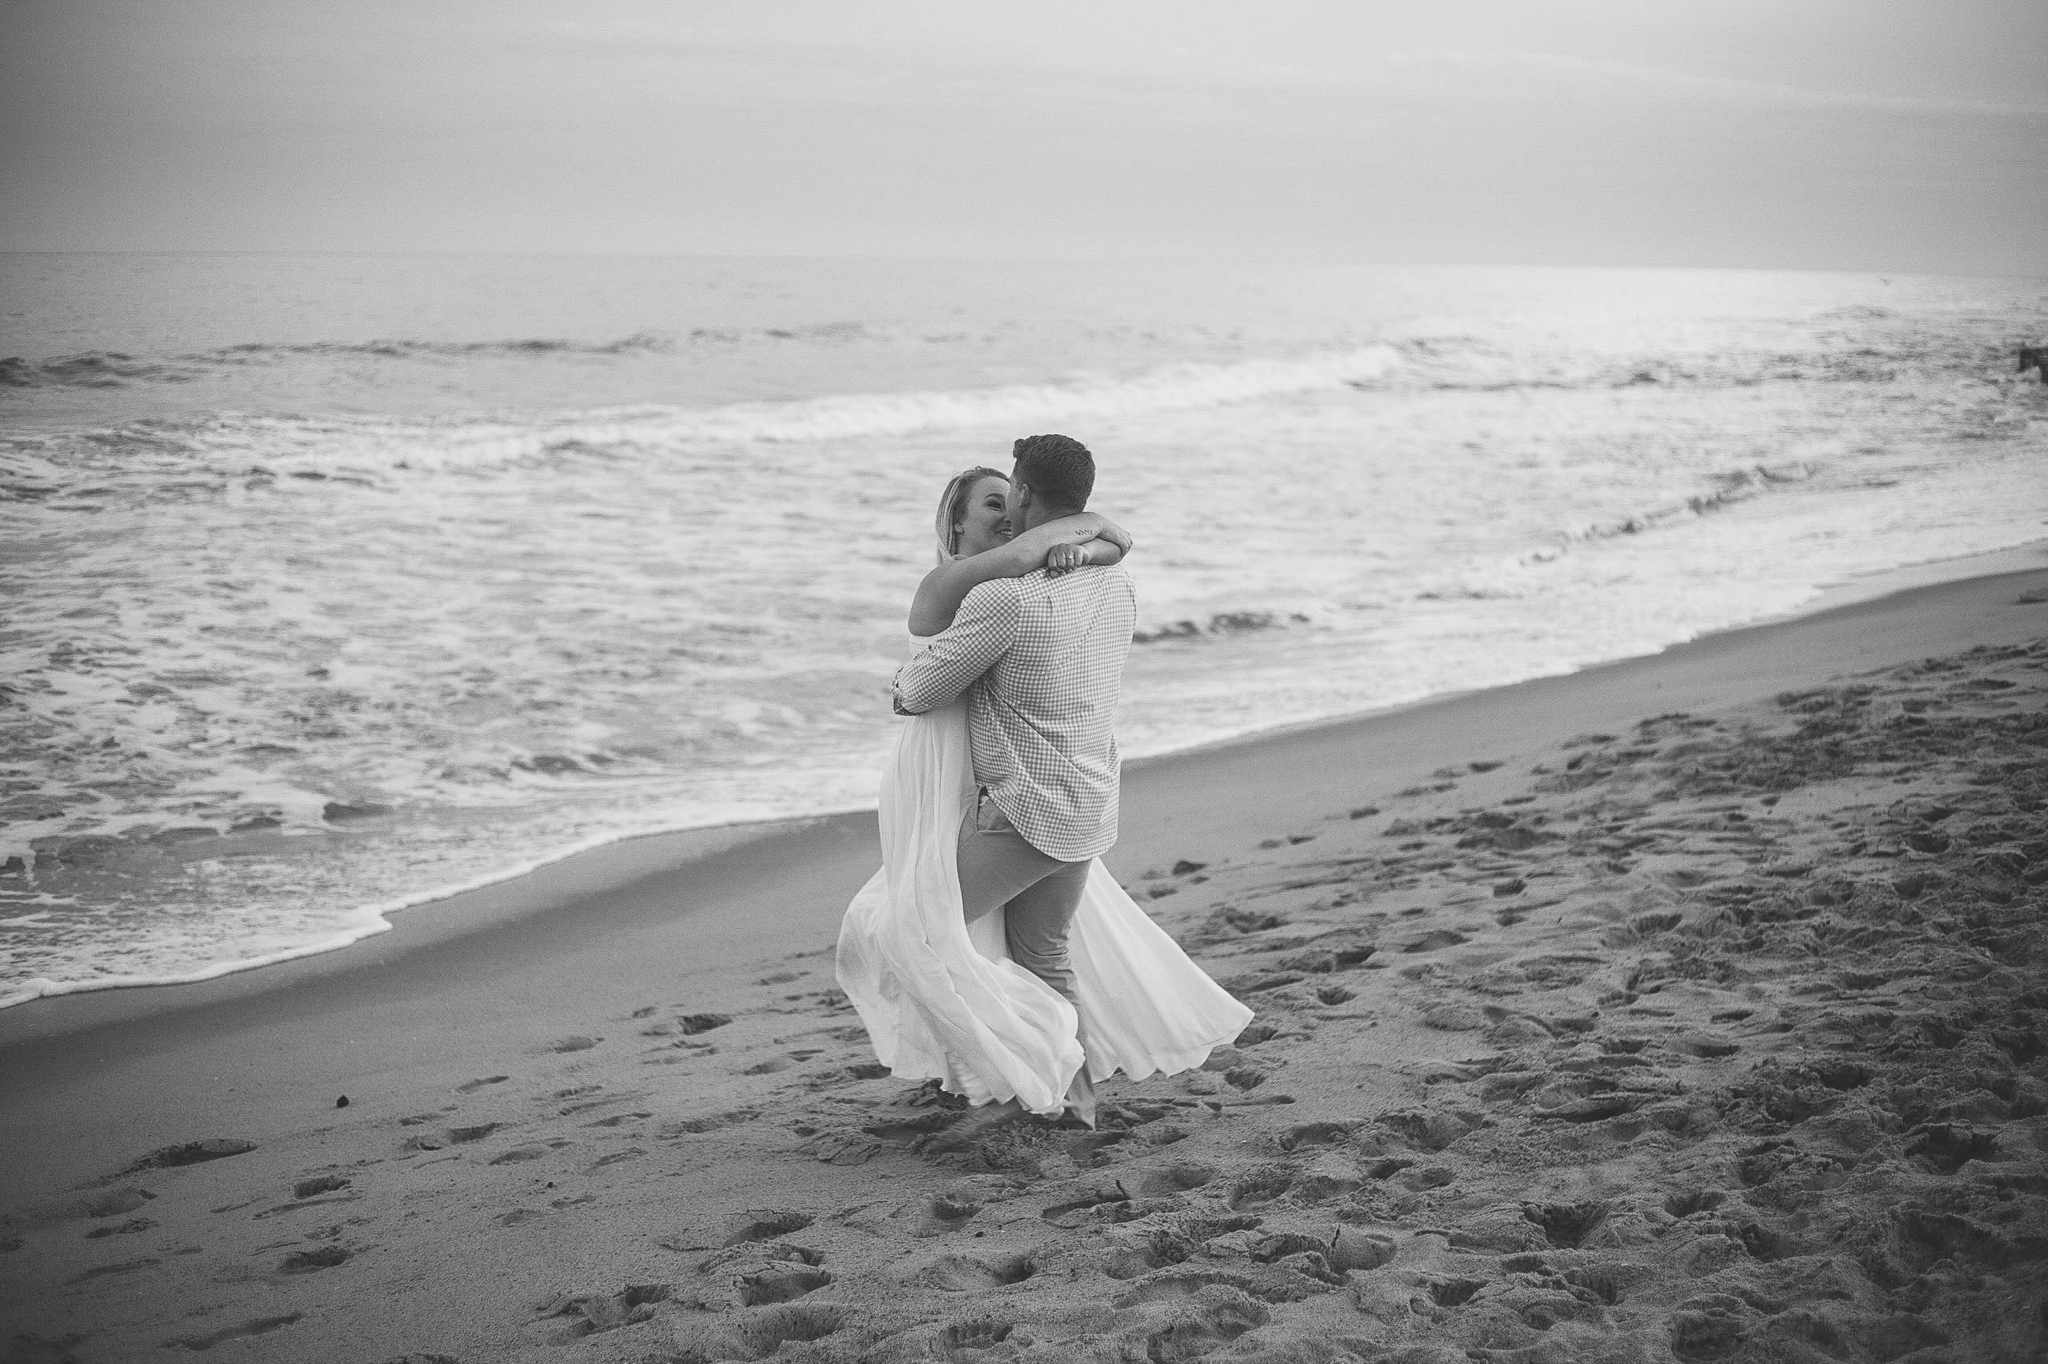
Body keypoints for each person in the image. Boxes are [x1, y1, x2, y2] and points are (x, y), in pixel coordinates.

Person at [835, 434, 1251, 1137]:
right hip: (1088, 801)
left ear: (1027, 497)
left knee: (910, 931)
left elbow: (920, 693)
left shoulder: (1004, 600)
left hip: (1024, 812)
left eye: (1008, 495)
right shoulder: (1115, 581)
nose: (1003, 509)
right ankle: (1070, 1105)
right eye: (986, 502)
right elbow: (1114, 543)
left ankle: (1019, 1079)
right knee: (1041, 954)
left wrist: (903, 682)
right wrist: (1088, 544)